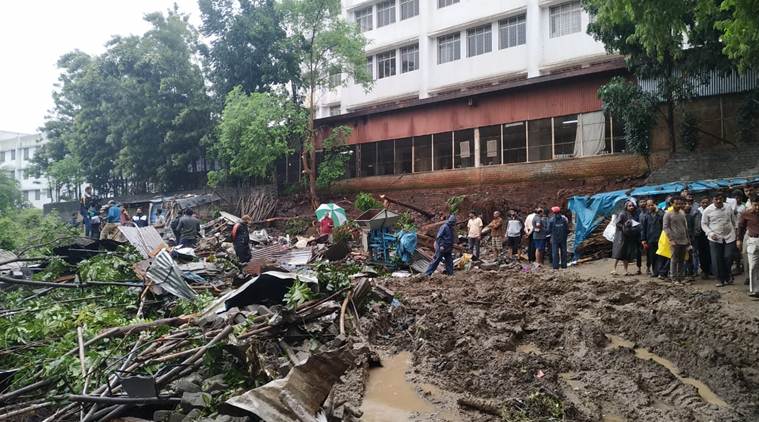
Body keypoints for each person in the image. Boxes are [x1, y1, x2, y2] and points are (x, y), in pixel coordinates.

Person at [701, 193, 738, 287]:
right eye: (716, 199)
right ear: (712, 200)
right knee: (717, 259)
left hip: (730, 236)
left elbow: (733, 220)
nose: (718, 201)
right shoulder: (708, 210)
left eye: (720, 199)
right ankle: (720, 279)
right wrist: (710, 233)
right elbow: (704, 224)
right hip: (715, 238)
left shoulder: (728, 207)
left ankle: (728, 275)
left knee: (728, 257)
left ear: (723, 199)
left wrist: (736, 233)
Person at [663, 197, 690, 282]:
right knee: (674, 260)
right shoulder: (668, 214)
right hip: (674, 240)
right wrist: (671, 239)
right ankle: (674, 278)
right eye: (676, 203)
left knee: (682, 260)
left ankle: (681, 277)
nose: (679, 205)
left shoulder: (682, 213)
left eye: (680, 203)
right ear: (672, 204)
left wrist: (688, 240)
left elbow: (685, 227)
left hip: (684, 240)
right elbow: (665, 227)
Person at [737, 195, 759, 297]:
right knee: (753, 265)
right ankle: (755, 290)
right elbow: (740, 228)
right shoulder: (746, 214)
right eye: (756, 205)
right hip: (753, 240)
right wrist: (739, 240)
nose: (758, 207)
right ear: (752, 204)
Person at [612, 201, 641, 276]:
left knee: (627, 254)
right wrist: (624, 225)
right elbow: (617, 223)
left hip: (629, 236)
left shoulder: (634, 214)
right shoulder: (622, 214)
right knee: (619, 252)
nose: (631, 207)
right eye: (629, 206)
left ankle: (625, 270)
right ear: (626, 207)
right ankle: (614, 269)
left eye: (632, 206)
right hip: (621, 236)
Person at [640, 199, 664, 277]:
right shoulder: (646, 216)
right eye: (649, 205)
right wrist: (643, 239)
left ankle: (661, 272)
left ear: (655, 205)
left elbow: (663, 222)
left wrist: (658, 210)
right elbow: (643, 228)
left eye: (652, 205)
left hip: (660, 238)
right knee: (652, 256)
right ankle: (655, 272)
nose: (650, 206)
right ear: (646, 206)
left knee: (660, 256)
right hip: (650, 239)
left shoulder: (660, 213)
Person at [694, 197, 712, 278]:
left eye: (706, 202)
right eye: (703, 202)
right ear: (700, 203)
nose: (705, 204)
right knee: (702, 253)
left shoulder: (712, 209)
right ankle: (704, 271)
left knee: (710, 253)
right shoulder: (698, 211)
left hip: (711, 233)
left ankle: (711, 270)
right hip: (700, 235)